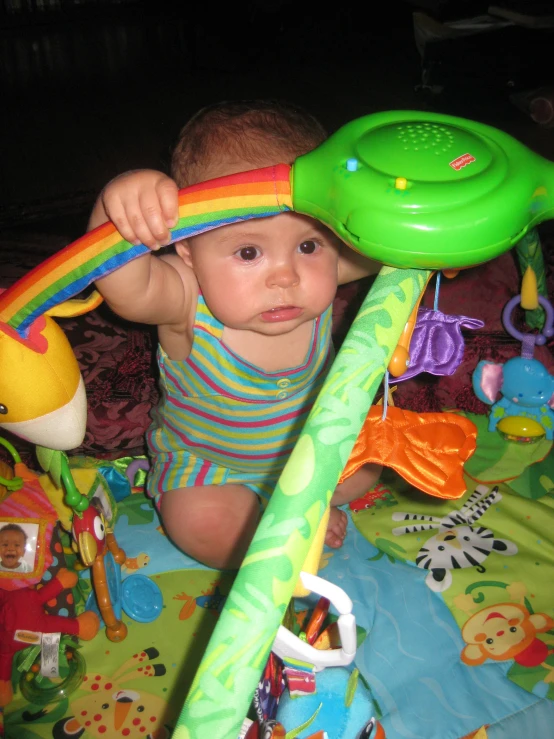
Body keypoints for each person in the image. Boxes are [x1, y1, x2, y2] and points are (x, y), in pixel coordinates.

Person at [88, 99, 382, 570]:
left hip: (308, 448)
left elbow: (388, 247)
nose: (285, 277)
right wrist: (117, 205)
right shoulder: (184, 297)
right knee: (199, 523)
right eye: (248, 253)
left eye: (308, 245)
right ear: (187, 248)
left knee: (372, 459)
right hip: (206, 465)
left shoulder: (320, 277)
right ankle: (274, 540)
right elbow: (124, 288)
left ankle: (299, 504)